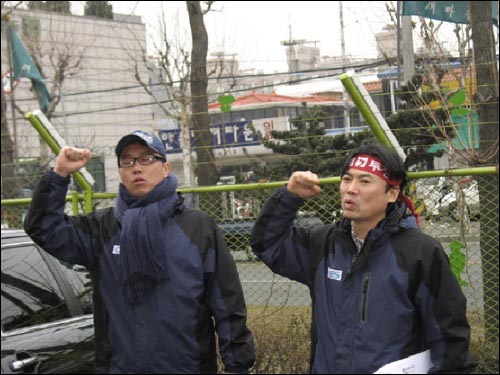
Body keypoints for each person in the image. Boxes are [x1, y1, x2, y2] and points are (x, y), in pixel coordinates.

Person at [24, 130, 255, 374]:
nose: (136, 167)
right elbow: (43, 228)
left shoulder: (197, 226)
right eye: (128, 161)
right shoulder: (102, 229)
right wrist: (60, 174)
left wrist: (237, 365)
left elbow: (227, 303)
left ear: (166, 168)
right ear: (121, 173)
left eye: (147, 159)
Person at [250, 142, 475, 374]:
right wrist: (289, 197)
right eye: (347, 179)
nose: (351, 189)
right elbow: (267, 244)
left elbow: (449, 341)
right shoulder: (324, 245)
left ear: (392, 194)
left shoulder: (420, 252)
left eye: (365, 181)